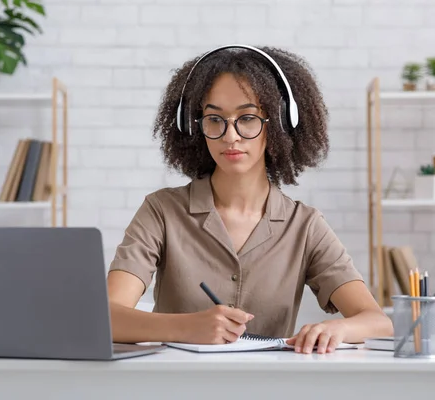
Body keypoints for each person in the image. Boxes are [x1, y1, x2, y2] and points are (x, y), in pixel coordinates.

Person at [107, 44, 393, 354]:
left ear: (282, 124)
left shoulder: (305, 225)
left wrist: (337, 328)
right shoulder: (161, 212)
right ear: (194, 126)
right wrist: (187, 327)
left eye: (247, 118)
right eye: (214, 119)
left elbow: (379, 323)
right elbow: (106, 318)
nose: (230, 136)